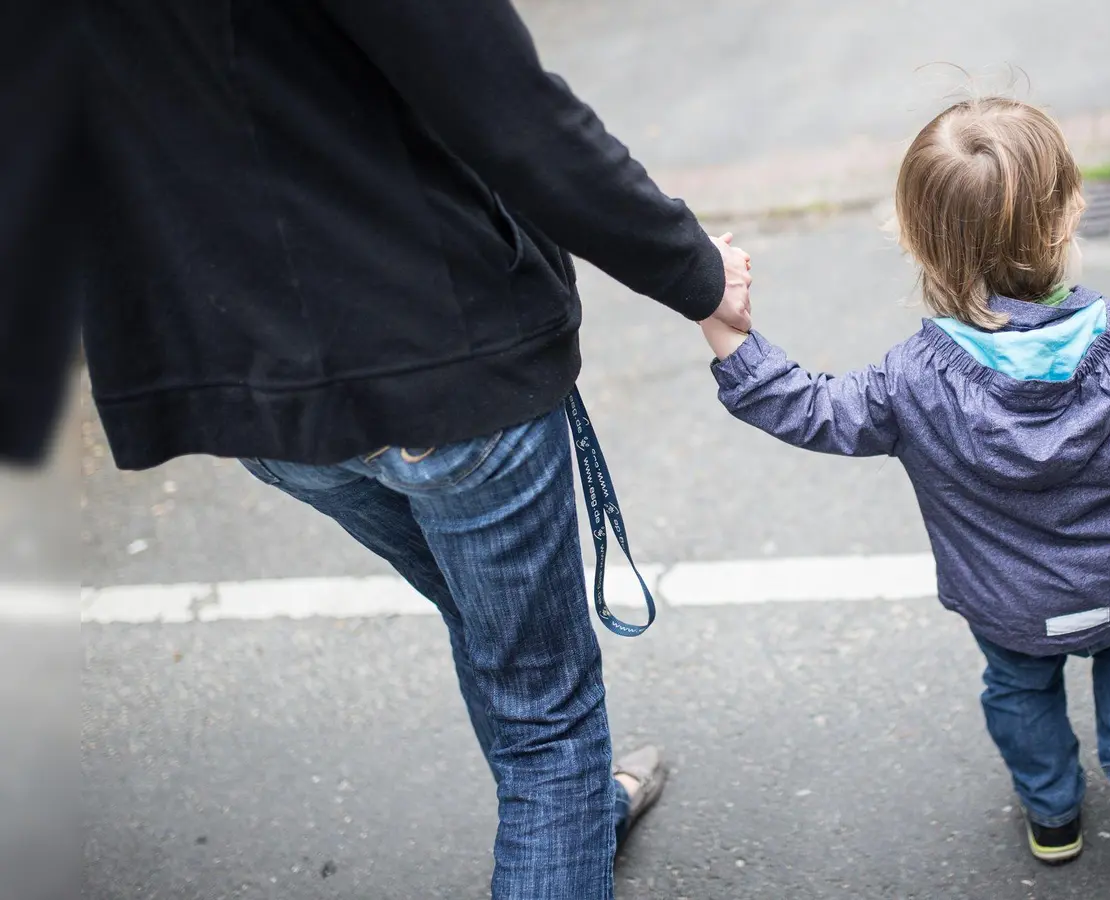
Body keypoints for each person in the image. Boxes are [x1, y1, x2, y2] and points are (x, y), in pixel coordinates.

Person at [75, 0, 752, 896]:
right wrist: (693, 268)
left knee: (495, 637)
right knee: (544, 723)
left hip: (256, 391)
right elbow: (509, 110)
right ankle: (565, 818)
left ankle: (576, 819)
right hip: (439, 355)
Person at [698, 96, 1110, 864]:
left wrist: (723, 327)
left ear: (915, 239)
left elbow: (812, 408)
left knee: (1019, 688)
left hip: (1004, 605)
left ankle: (1054, 814)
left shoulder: (910, 379)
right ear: (1069, 216)